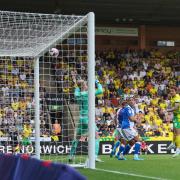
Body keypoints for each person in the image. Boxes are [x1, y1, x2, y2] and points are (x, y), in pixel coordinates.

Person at [69, 79, 103, 162]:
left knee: (77, 138)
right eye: (86, 84)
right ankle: (94, 156)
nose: (87, 86)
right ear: (84, 86)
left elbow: (77, 89)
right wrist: (97, 82)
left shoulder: (77, 94)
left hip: (81, 118)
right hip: (88, 118)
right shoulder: (89, 93)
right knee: (96, 136)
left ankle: (71, 155)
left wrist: (77, 86)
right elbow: (100, 90)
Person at [117, 96, 144, 160]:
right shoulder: (128, 108)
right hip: (127, 127)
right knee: (138, 140)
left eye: (133, 100)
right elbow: (131, 119)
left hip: (124, 127)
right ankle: (136, 156)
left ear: (135, 101)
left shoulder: (128, 108)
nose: (132, 101)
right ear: (128, 102)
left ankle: (121, 156)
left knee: (131, 142)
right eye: (130, 100)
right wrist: (137, 120)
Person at [166, 87, 180, 157]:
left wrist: (167, 110)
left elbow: (176, 107)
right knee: (174, 132)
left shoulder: (177, 97)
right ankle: (173, 144)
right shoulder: (172, 97)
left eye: (172, 91)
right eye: (170, 91)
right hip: (175, 116)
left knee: (177, 133)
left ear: (176, 91)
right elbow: (170, 106)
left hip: (178, 117)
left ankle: (178, 149)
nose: (171, 92)